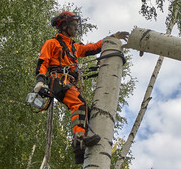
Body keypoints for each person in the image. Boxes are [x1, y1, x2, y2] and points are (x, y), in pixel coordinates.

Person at [33, 11, 128, 164]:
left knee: (86, 112)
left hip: (68, 81)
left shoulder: (74, 47)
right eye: (74, 25)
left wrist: (112, 37)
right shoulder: (52, 43)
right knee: (79, 104)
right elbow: (42, 62)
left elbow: (93, 48)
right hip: (58, 80)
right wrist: (40, 81)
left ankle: (80, 151)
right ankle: (79, 140)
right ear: (64, 26)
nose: (77, 29)